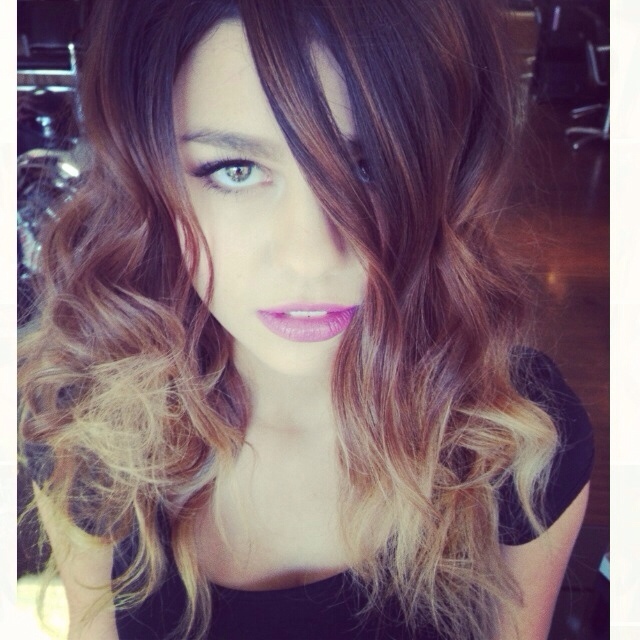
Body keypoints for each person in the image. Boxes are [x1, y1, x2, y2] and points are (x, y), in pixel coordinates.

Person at [18, 0, 594, 638]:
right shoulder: (83, 427)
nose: (310, 256)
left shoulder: (518, 438)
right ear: (147, 183)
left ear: (452, 174)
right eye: (235, 169)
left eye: (370, 165)